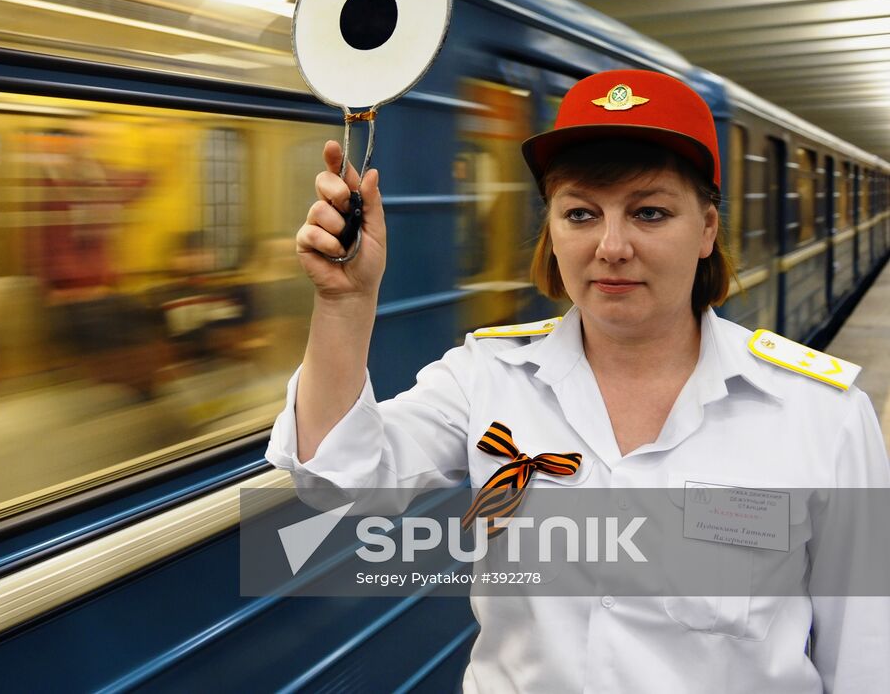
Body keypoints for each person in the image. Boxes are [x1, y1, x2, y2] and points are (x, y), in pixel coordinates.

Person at [265, 68, 890, 693]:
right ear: (553, 232)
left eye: (649, 212)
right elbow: (337, 478)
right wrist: (345, 305)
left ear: (706, 230)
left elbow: (865, 656)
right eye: (581, 213)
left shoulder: (820, 414)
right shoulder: (489, 377)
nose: (611, 246)